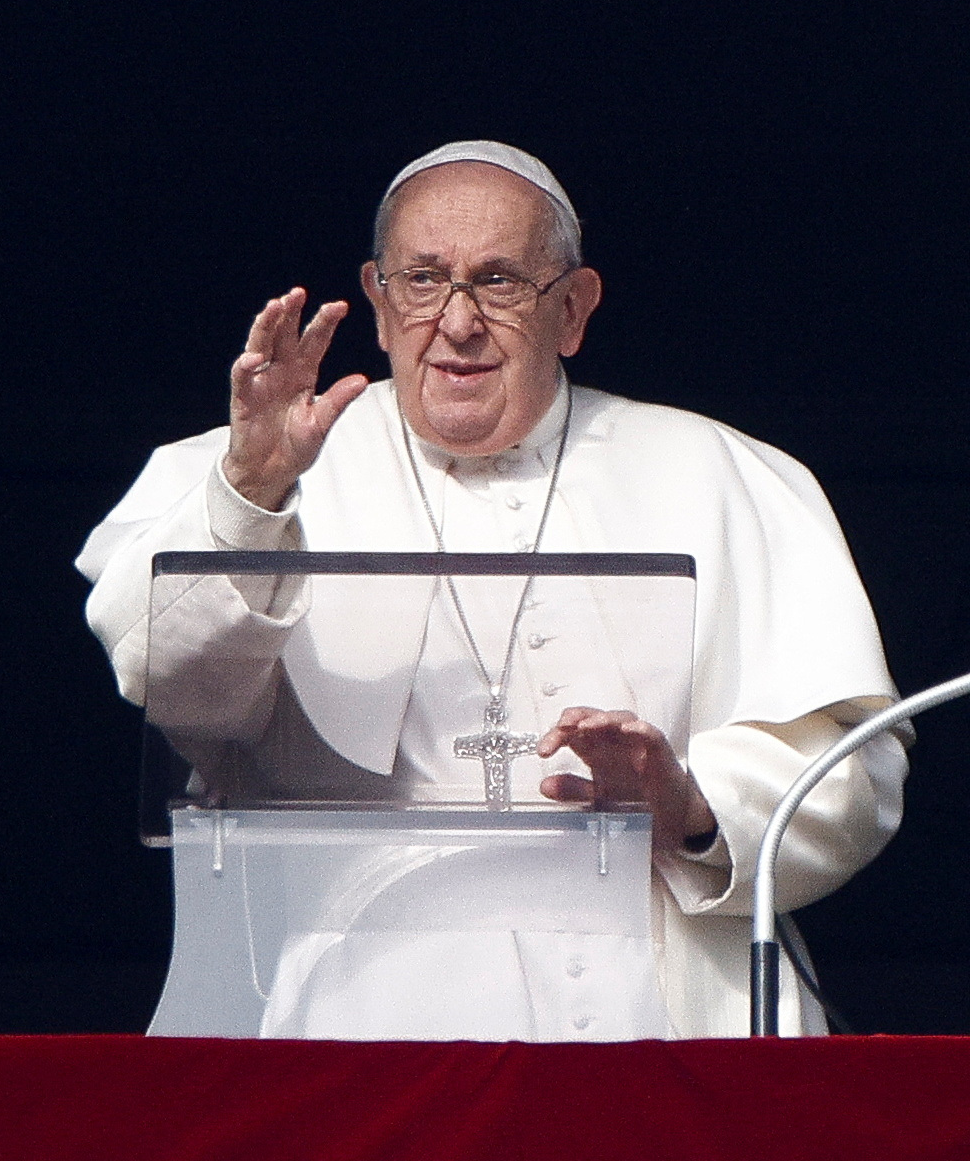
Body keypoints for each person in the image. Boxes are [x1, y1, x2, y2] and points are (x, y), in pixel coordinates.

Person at [76, 140, 903, 1038]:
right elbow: (167, 677)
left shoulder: (720, 473)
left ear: (574, 310)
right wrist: (251, 496)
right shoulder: (249, 469)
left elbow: (848, 765)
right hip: (361, 1010)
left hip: (669, 1003)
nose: (458, 322)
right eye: (423, 281)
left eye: (500, 280)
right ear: (381, 304)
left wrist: (694, 804)